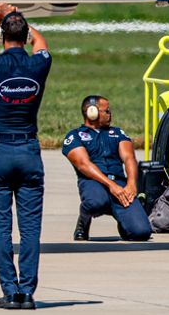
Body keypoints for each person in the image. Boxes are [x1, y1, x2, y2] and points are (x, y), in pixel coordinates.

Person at [0, 3, 50, 310]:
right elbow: (40, 42)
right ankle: (27, 291)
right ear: (26, 35)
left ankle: (9, 289)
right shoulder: (39, 64)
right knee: (30, 228)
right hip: (28, 149)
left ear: (2, 37)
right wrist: (16, 19)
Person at [62, 95, 153, 242]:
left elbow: (129, 158)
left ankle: (125, 223)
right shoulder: (75, 136)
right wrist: (111, 185)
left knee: (141, 232)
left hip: (119, 182)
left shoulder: (117, 133)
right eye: (107, 111)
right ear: (92, 112)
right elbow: (84, 165)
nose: (110, 114)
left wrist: (131, 184)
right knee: (95, 203)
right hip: (93, 182)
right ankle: (83, 222)